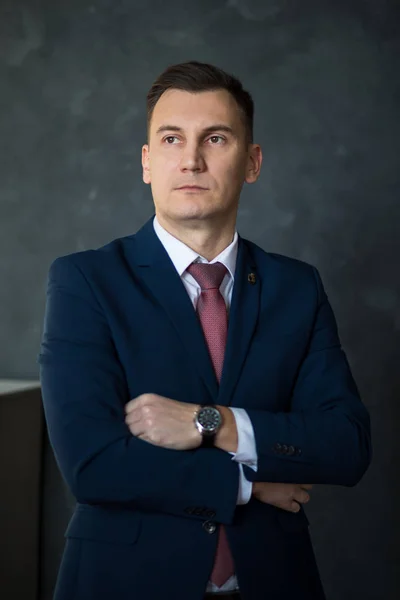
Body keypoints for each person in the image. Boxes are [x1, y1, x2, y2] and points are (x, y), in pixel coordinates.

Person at [39, 61, 372, 600]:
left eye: (215, 138)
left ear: (253, 162)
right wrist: (248, 483)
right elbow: (93, 465)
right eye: (171, 139)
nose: (191, 159)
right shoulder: (86, 281)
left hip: (273, 582)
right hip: (124, 584)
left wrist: (208, 423)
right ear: (147, 163)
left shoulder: (297, 287)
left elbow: (346, 445)